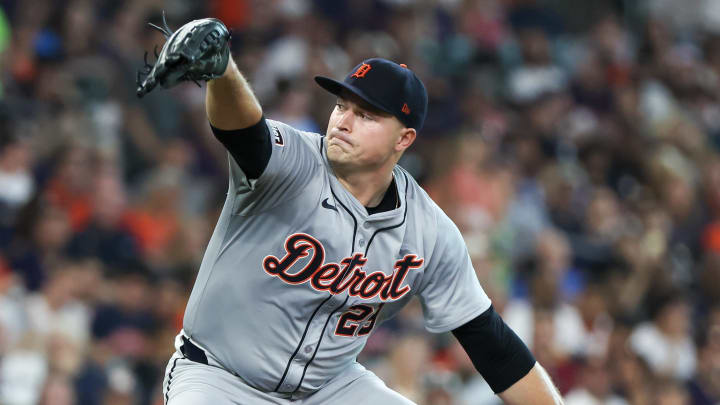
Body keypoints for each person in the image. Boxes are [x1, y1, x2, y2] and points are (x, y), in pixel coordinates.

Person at [138, 17, 564, 405]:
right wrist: (223, 71)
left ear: (404, 139)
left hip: (328, 388)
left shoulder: (428, 231)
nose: (342, 120)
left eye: (365, 115)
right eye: (341, 105)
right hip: (220, 377)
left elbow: (493, 347)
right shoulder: (291, 159)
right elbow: (245, 131)